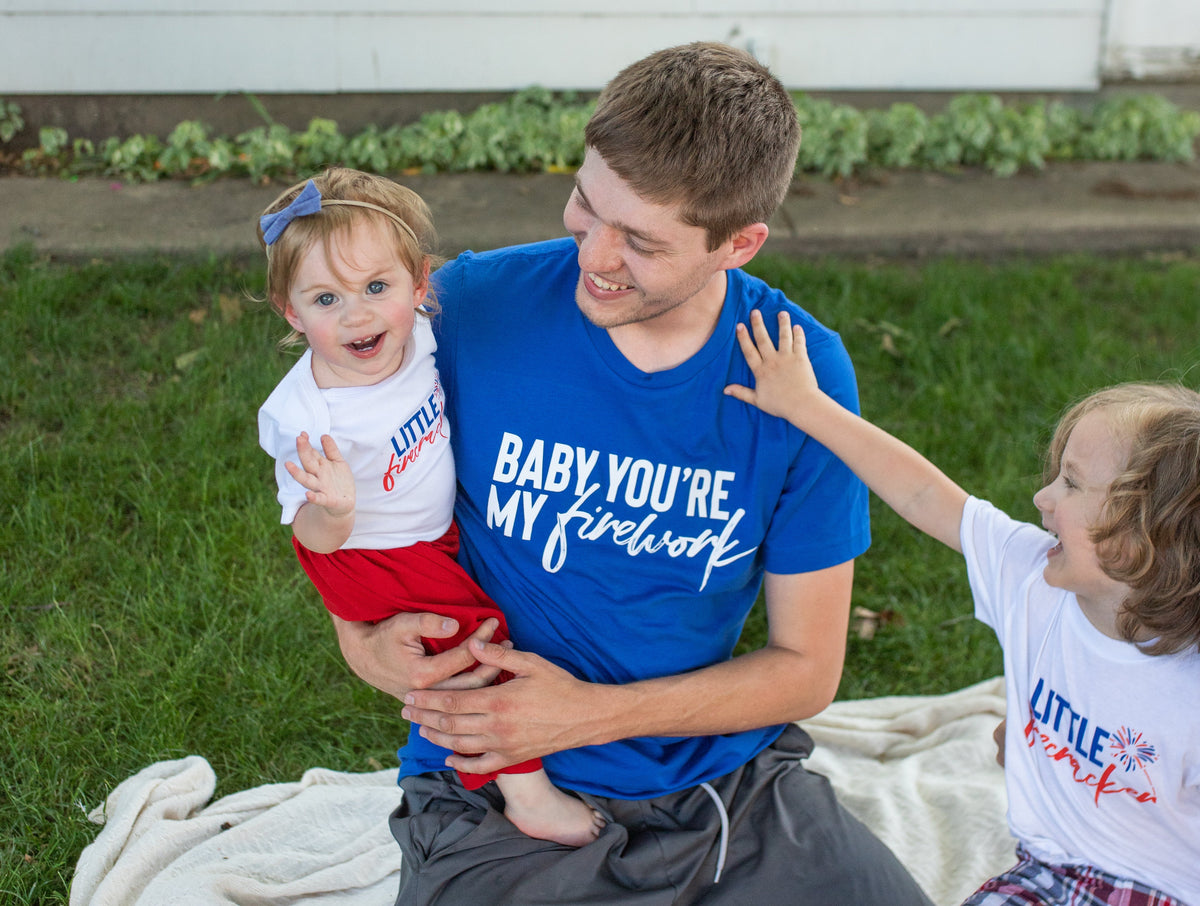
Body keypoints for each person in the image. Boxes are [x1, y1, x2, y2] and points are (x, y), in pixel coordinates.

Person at [333, 42, 934, 904]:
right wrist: (362, 643)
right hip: (496, 780)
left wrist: (588, 713)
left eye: (641, 242)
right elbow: (343, 499)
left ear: (740, 244)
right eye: (586, 206)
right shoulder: (465, 310)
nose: (594, 257)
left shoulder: (800, 373)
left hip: (722, 785)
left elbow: (806, 668)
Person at [725, 310, 1200, 906]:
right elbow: (925, 493)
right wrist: (806, 406)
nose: (1042, 497)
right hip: (1045, 874)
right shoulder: (1034, 581)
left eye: (1073, 485)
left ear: (1146, 533)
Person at [255, 167, 604, 847]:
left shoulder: (414, 330)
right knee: (471, 643)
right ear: (292, 312)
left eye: (376, 288)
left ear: (418, 286)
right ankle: (523, 788)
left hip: (425, 530)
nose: (357, 314)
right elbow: (312, 539)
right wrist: (337, 508)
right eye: (326, 299)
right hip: (366, 549)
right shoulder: (309, 418)